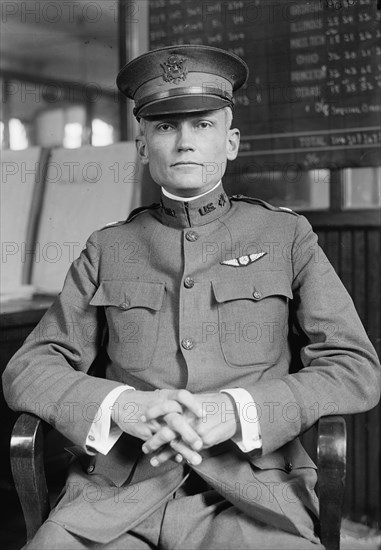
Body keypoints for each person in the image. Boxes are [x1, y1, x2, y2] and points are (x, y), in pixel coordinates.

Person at [3, 44, 380, 550]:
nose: (184, 142)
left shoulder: (286, 236)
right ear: (142, 147)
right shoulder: (107, 247)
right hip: (116, 496)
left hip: (255, 495)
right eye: (164, 127)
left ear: (232, 142)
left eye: (202, 125)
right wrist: (121, 405)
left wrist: (239, 408)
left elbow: (354, 366)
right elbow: (29, 368)